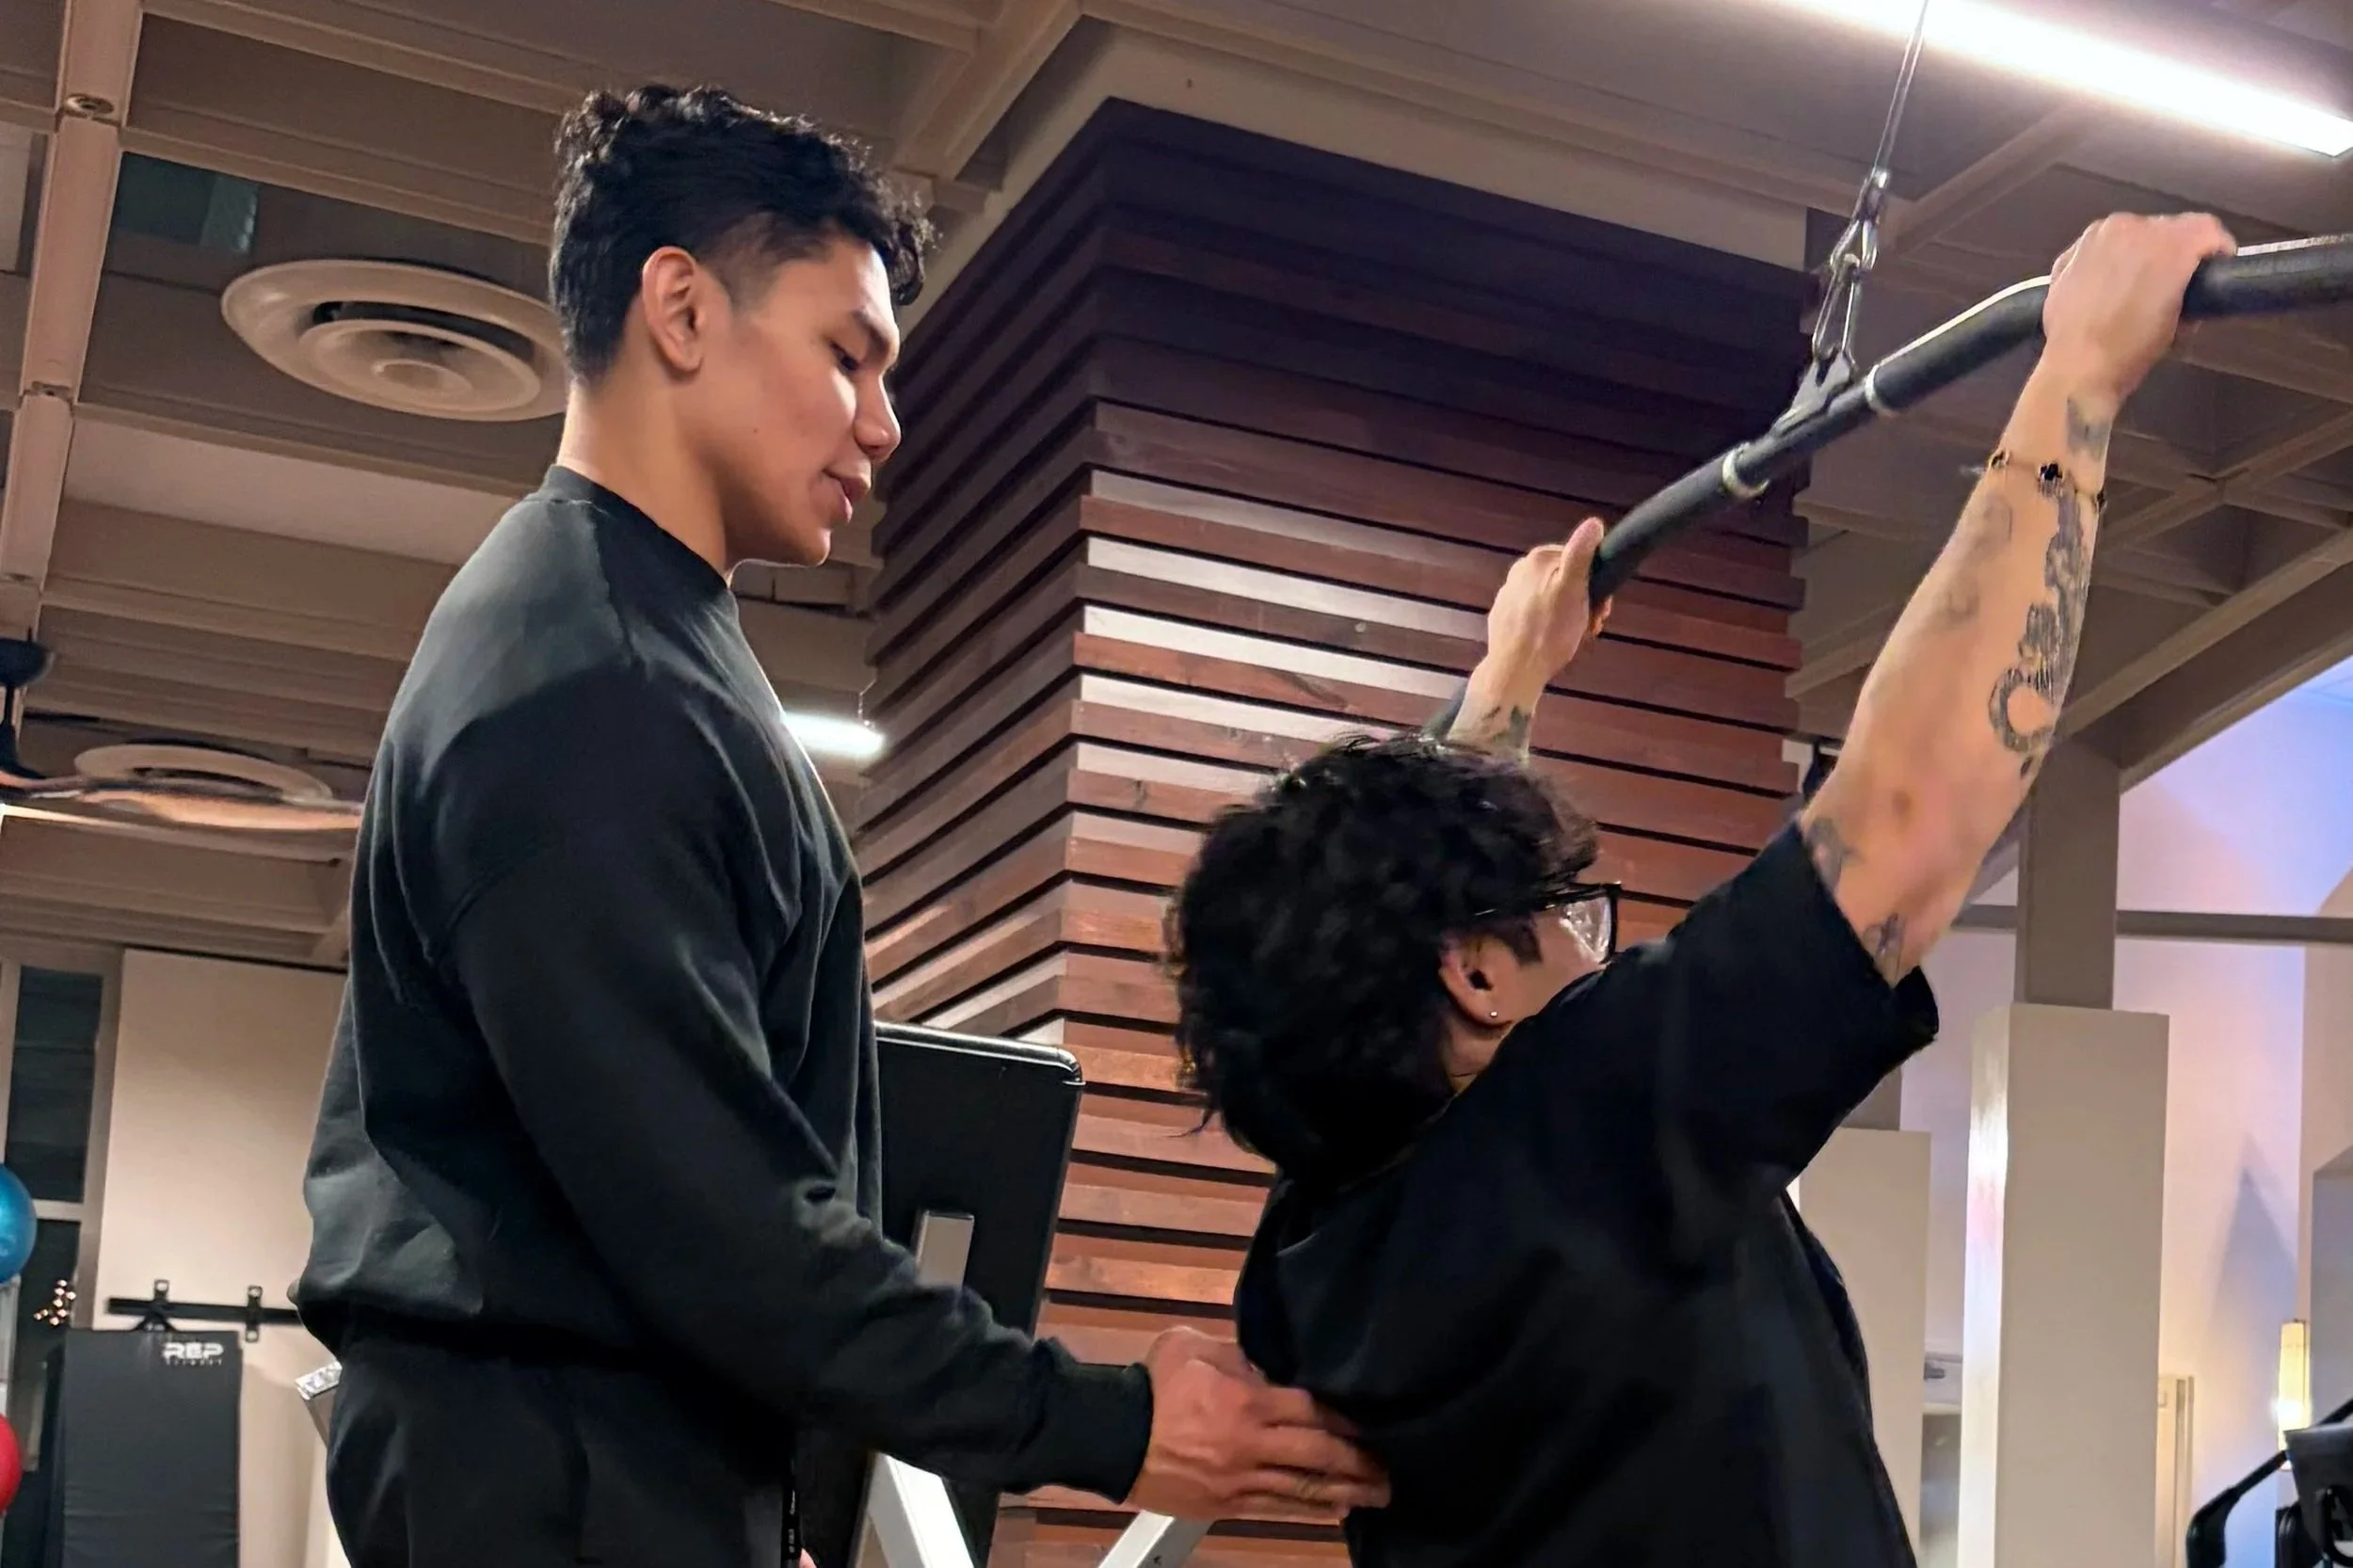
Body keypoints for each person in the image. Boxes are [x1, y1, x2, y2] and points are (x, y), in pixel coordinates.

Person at [294, 84, 1385, 1568]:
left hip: (624, 1461)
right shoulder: (584, 686)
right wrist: (1110, 1422)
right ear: (680, 308)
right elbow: (726, 1230)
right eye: (848, 355)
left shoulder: (645, 644)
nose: (883, 419)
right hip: (554, 1477)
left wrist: (789, 1490)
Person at [1164, 210, 2237, 1567]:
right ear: (1474, 975)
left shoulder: (1316, 1259)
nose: (1587, 954)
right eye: (1565, 924)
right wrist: (2075, 377)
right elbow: (1903, 817)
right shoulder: (1584, 1131)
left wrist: (1507, 689)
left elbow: (1413, 931)